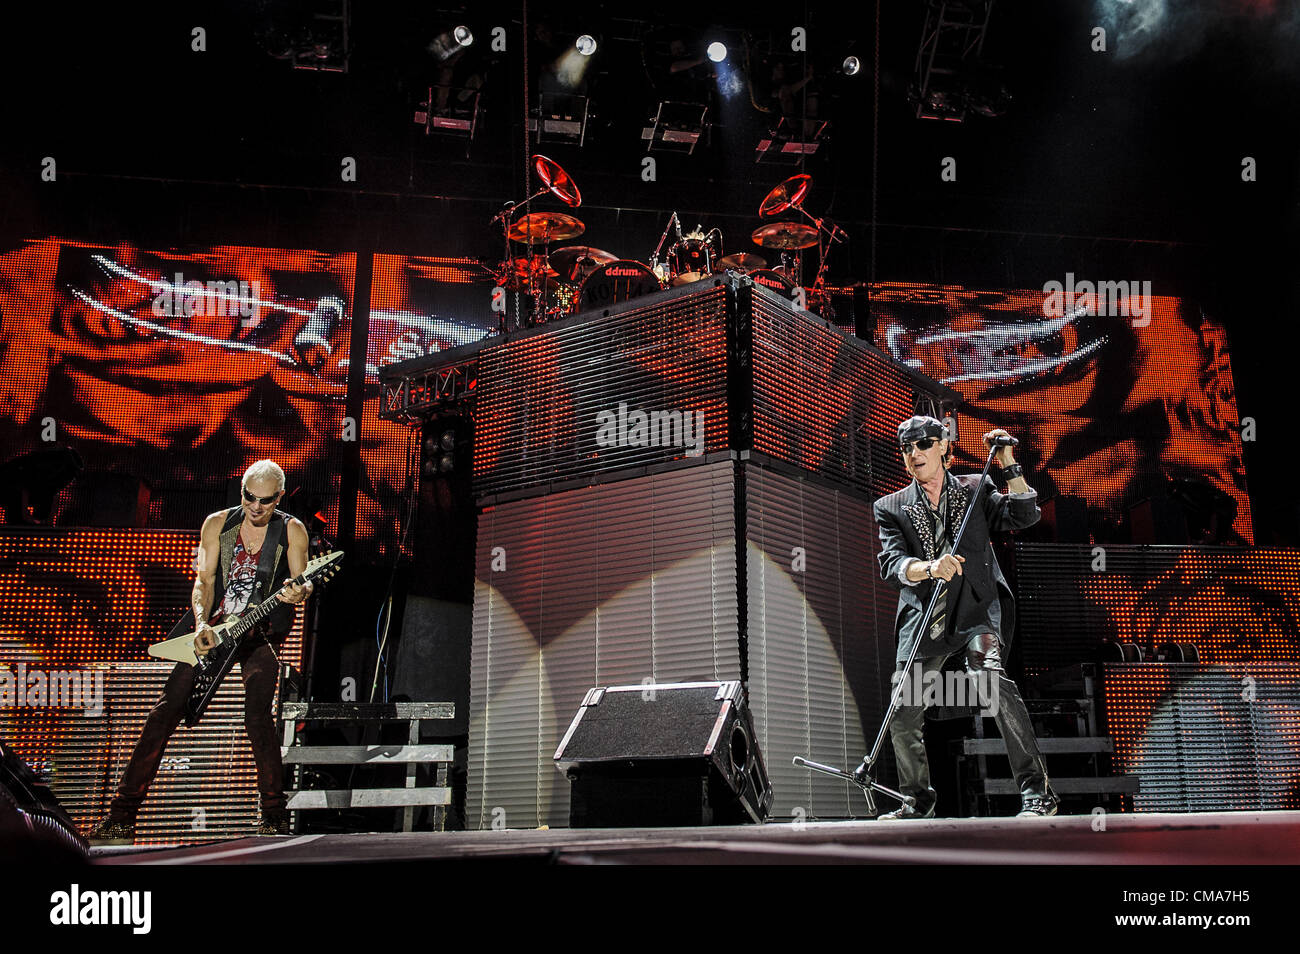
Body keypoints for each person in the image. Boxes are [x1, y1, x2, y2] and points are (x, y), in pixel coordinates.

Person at [87, 460, 313, 842]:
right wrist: (202, 623)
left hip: (262, 634)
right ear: (241, 491)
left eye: (266, 501)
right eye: (249, 498)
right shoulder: (217, 524)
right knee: (165, 711)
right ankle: (121, 816)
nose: (256, 508)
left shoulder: (292, 529)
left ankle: (273, 816)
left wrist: (299, 591)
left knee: (258, 718)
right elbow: (204, 581)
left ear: (280, 497)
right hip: (216, 629)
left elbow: (300, 582)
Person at [866, 416, 1057, 819]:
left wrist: (1008, 463)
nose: (914, 454)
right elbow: (894, 565)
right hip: (924, 615)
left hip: (974, 609)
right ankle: (917, 801)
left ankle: (1037, 792)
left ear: (943, 448)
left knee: (989, 678)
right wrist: (930, 568)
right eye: (907, 448)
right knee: (904, 713)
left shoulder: (976, 488)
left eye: (923, 444)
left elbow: (1024, 516)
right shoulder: (891, 507)